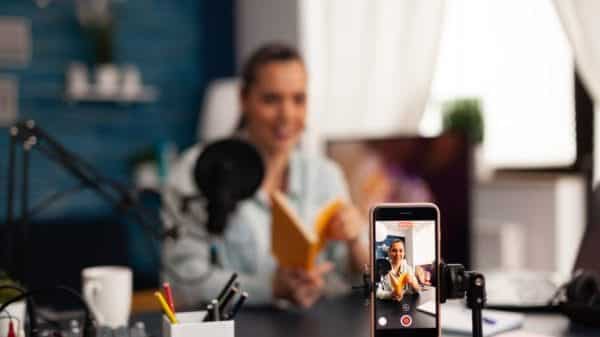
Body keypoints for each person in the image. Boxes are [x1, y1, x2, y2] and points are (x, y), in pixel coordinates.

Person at [161, 43, 368, 309]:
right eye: (271, 99)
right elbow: (184, 283)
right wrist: (269, 287)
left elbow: (354, 277)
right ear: (244, 100)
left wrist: (354, 243)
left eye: (298, 99)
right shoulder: (197, 171)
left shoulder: (325, 175)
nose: (287, 115)